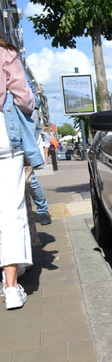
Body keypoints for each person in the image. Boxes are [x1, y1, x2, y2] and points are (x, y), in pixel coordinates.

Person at [0, 35, 36, 309]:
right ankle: (11, 288)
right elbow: (24, 98)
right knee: (11, 209)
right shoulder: (5, 53)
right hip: (3, 138)